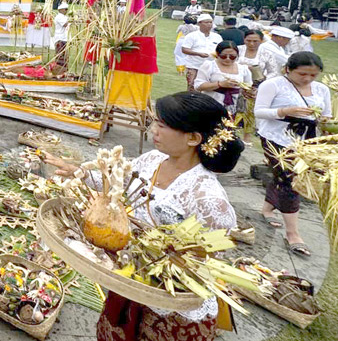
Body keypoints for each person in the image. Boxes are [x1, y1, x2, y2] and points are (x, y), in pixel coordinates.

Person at [44, 92, 242, 341]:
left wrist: (168, 257)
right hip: (132, 279)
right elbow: (119, 181)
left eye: (162, 124)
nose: (153, 130)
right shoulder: (154, 160)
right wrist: (79, 172)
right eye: (154, 122)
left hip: (171, 305)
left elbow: (210, 259)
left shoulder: (207, 198)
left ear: (193, 138)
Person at [255, 51, 331, 258]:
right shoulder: (273, 85)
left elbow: (326, 116)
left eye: (313, 75)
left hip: (306, 140)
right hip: (276, 137)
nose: (307, 79)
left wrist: (327, 126)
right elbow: (259, 111)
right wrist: (284, 111)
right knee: (291, 181)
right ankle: (293, 233)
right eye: (302, 74)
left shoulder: (321, 89)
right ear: (288, 69)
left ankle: (267, 209)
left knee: (282, 177)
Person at [237, 29, 279, 142]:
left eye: (255, 41)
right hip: (236, 85)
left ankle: (247, 138)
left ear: (261, 41)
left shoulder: (267, 53)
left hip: (256, 87)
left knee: (250, 112)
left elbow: (273, 72)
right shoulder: (237, 50)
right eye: (248, 40)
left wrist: (264, 80)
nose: (251, 44)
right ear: (244, 40)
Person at [194, 41, 252, 118]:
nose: (228, 59)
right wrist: (220, 84)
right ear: (217, 54)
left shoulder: (243, 69)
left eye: (232, 57)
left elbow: (248, 86)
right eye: (223, 56)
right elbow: (198, 86)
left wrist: (247, 91)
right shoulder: (209, 65)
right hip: (211, 104)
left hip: (234, 106)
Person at [180, 14, 222, 91]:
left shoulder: (217, 37)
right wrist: (198, 54)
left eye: (210, 22)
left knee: (209, 88)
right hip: (194, 66)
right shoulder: (192, 36)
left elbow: (221, 50)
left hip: (211, 67)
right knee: (192, 87)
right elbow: (184, 49)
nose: (209, 24)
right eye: (206, 22)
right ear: (199, 23)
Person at [52, 2, 70, 67]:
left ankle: (63, 68)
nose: (66, 11)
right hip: (60, 38)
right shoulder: (59, 17)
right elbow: (65, 24)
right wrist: (72, 20)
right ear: (61, 9)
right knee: (60, 55)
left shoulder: (64, 17)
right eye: (65, 9)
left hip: (64, 38)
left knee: (64, 55)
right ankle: (58, 68)